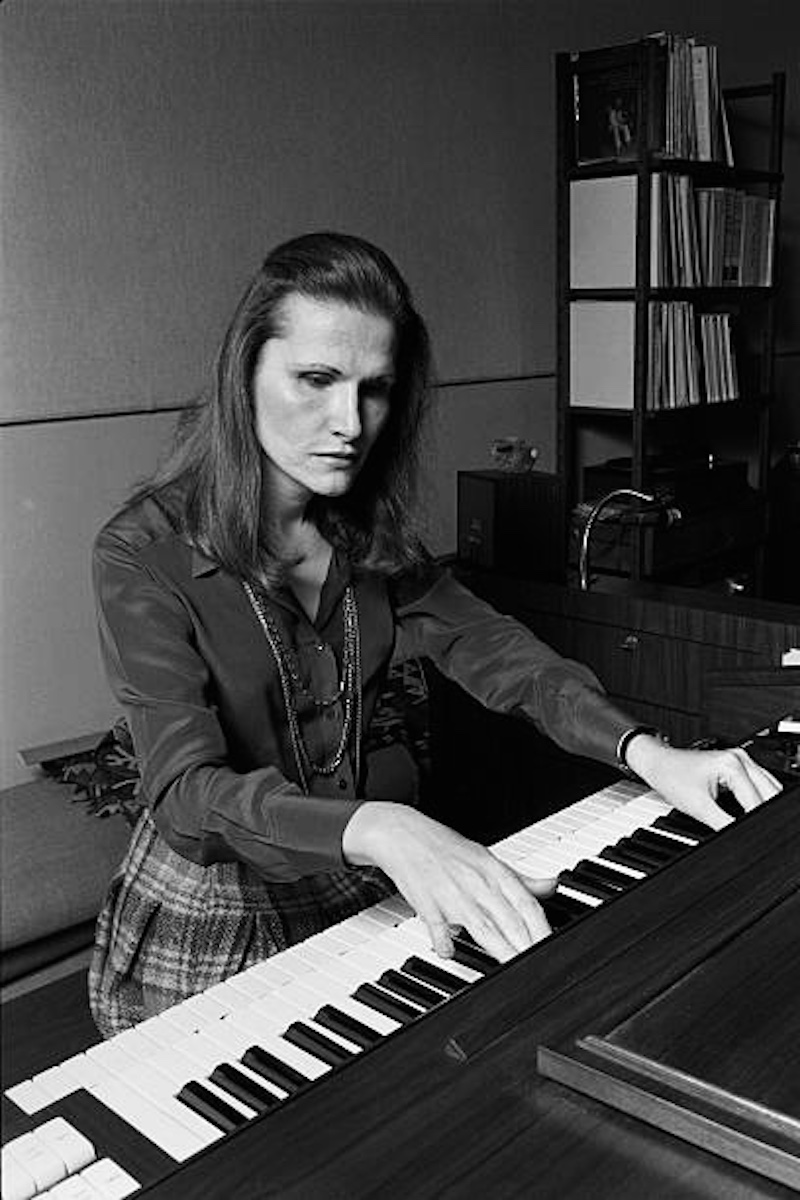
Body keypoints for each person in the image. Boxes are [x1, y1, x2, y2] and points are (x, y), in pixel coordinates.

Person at [89, 231, 779, 1038]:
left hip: (355, 871)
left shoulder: (368, 539)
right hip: (214, 902)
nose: (348, 421)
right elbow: (183, 796)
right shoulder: (140, 552)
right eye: (315, 379)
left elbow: (505, 657)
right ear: (243, 376)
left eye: (373, 388)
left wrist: (648, 752)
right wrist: (388, 826)